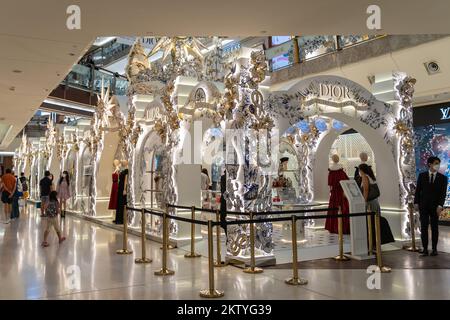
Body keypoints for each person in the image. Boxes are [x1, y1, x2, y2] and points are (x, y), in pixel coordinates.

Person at [414, 156, 448, 256]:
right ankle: (425, 249)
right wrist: (416, 202)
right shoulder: (422, 176)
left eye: (438, 163)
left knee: (434, 228)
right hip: (423, 206)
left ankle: (434, 249)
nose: (437, 165)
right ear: (430, 164)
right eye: (436, 163)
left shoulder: (443, 178)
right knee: (424, 228)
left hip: (435, 207)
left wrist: (440, 205)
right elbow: (418, 191)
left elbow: (443, 193)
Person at [359, 163, 394, 246]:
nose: (359, 172)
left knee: (370, 222)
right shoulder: (371, 177)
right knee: (375, 222)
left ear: (362, 170)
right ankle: (376, 241)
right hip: (375, 202)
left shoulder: (365, 177)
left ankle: (372, 242)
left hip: (369, 203)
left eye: (359, 170)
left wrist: (363, 202)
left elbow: (366, 190)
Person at [325, 155, 350, 234]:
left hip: (334, 194)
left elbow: (330, 184)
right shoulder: (341, 172)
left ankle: (333, 227)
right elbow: (346, 182)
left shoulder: (331, 172)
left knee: (334, 208)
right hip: (341, 193)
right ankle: (343, 227)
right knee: (343, 208)